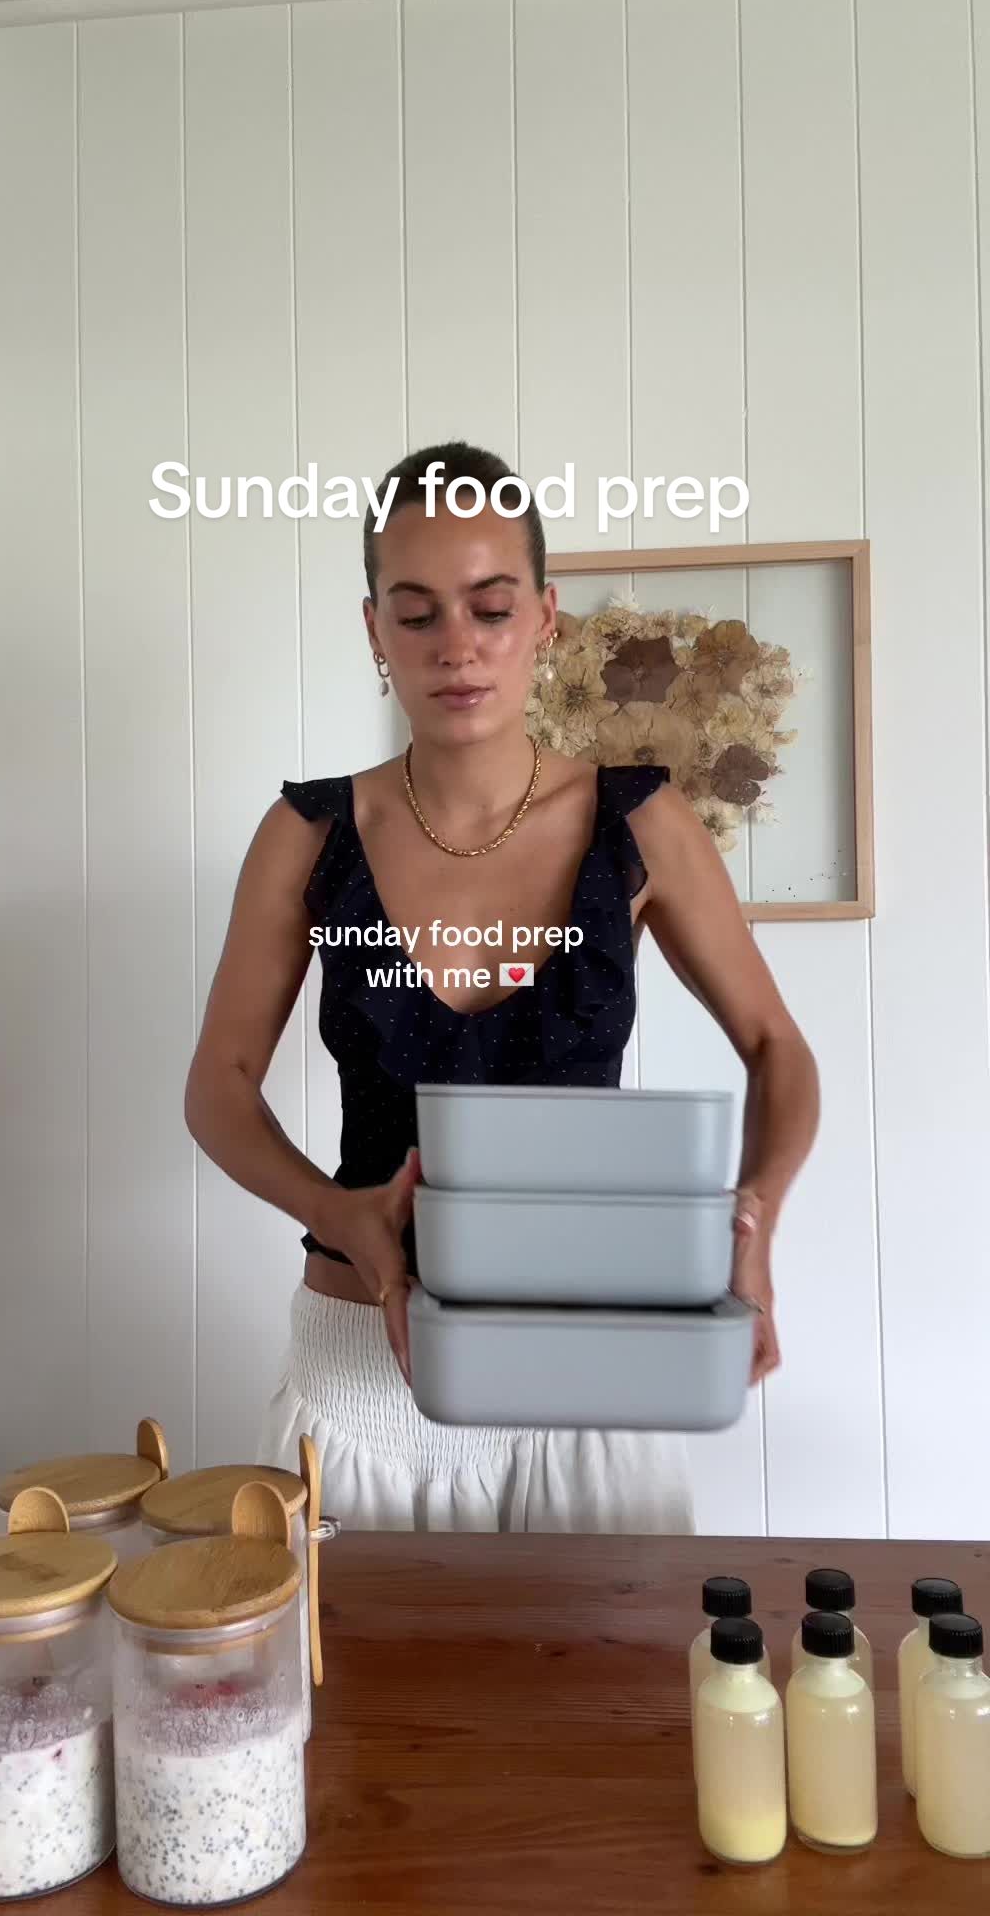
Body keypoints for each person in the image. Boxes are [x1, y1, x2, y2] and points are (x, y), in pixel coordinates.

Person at [184, 440, 820, 1533]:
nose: (457, 646)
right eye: (416, 613)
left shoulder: (640, 823)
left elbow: (776, 1046)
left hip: (595, 1368)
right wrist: (337, 1212)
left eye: (490, 607)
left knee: (613, 1655)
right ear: (374, 631)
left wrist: (754, 1225)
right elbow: (219, 1087)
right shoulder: (308, 834)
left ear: (545, 618)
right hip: (360, 1374)